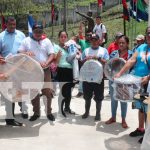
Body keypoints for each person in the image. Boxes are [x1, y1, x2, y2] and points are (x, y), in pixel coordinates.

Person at [115, 27, 150, 143]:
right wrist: (120, 73)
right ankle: (141, 129)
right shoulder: (141, 47)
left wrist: (148, 77)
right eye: (148, 34)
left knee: (147, 110)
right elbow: (131, 61)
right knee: (140, 107)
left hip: (148, 83)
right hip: (138, 82)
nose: (149, 36)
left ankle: (148, 134)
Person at [18, 24, 55, 121]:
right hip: (32, 70)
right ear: (32, 32)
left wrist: (47, 62)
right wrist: (26, 53)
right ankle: (36, 113)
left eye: (40, 31)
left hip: (45, 69)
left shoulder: (47, 41)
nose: (38, 33)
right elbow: (19, 52)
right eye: (36, 31)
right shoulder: (26, 41)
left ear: (42, 31)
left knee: (47, 91)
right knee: (34, 92)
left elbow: (52, 54)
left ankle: (49, 112)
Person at [0, 16, 27, 126]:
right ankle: (9, 118)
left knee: (19, 91)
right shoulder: (1, 36)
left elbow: (26, 49)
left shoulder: (21, 35)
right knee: (8, 93)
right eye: (10, 24)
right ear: (6, 24)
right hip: (5, 69)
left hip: (19, 68)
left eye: (14, 25)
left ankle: (22, 109)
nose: (12, 27)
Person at [105, 35, 132, 128]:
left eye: (123, 43)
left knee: (123, 100)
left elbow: (133, 68)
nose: (121, 44)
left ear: (127, 44)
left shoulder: (131, 54)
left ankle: (123, 119)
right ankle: (113, 117)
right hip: (113, 80)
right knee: (113, 100)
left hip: (125, 81)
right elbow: (108, 66)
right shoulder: (113, 54)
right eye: (119, 42)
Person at [81, 33, 109, 121]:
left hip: (98, 78)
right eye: (92, 40)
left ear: (99, 41)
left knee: (99, 97)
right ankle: (86, 112)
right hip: (87, 77)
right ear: (90, 41)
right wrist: (86, 59)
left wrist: (99, 58)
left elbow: (107, 62)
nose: (94, 42)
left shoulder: (103, 50)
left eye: (96, 40)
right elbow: (81, 62)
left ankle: (98, 113)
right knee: (87, 96)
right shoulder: (86, 51)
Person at [54, 30, 76, 116]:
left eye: (65, 37)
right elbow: (56, 61)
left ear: (67, 37)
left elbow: (75, 56)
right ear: (58, 38)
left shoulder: (70, 46)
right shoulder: (56, 47)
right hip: (61, 70)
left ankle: (67, 108)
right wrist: (59, 54)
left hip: (70, 70)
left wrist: (75, 52)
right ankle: (60, 109)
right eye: (61, 37)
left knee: (69, 91)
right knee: (63, 91)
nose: (63, 38)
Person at [76, 31, 92, 98]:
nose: (89, 36)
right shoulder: (82, 41)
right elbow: (77, 40)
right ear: (85, 36)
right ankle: (80, 91)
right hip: (83, 62)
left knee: (91, 76)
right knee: (82, 76)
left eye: (90, 35)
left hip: (91, 62)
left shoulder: (93, 43)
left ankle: (91, 91)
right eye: (87, 35)